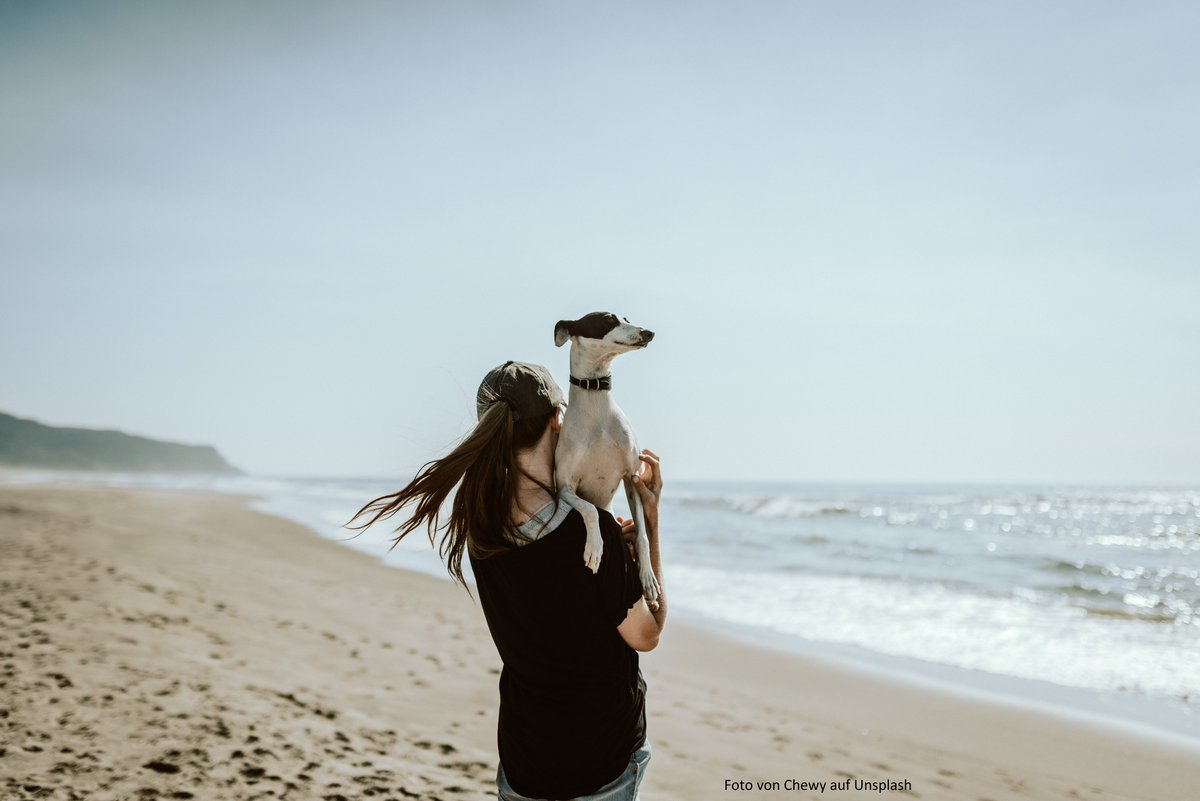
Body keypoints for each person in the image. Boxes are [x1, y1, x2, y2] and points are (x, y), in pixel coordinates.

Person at [343, 360, 667, 801]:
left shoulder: (479, 524)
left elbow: (552, 592)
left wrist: (617, 559)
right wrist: (649, 522)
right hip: (600, 759)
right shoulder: (588, 532)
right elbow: (647, 635)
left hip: (524, 761)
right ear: (558, 421)